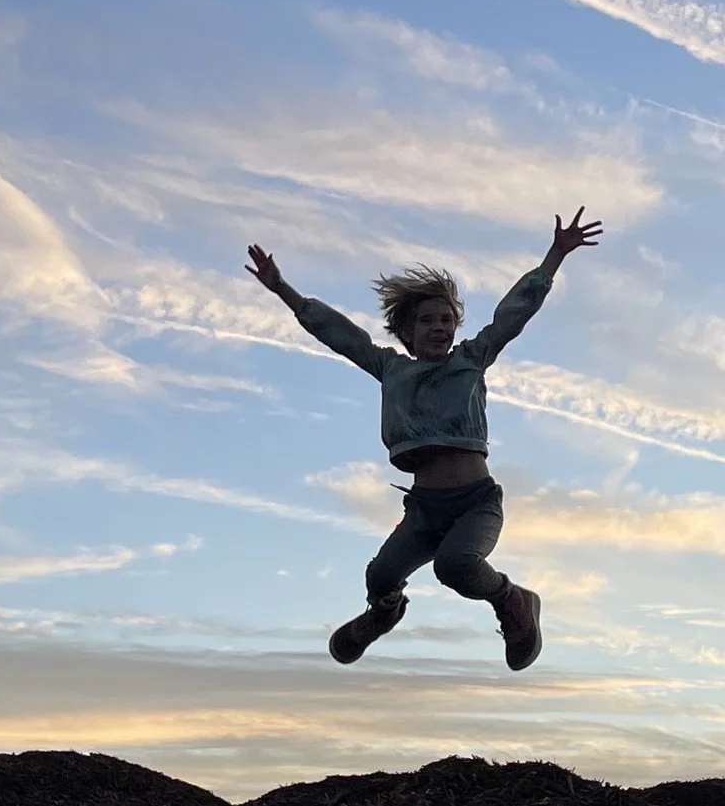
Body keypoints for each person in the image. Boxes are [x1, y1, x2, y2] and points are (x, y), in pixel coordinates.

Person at [245, 209, 603, 671]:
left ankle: (514, 601)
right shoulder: (391, 368)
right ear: (407, 333)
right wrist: (284, 292)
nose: (439, 327)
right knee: (381, 575)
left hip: (475, 502)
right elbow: (340, 335)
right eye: (428, 321)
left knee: (455, 565)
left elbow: (514, 313)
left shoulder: (472, 359)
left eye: (446, 320)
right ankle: (384, 613)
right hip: (424, 508)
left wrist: (555, 255)